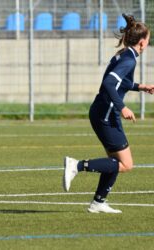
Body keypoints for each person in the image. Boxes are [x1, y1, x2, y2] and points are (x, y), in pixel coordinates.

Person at [63, 14, 154, 213]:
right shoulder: (129, 60)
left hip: (102, 111)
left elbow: (121, 82)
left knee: (114, 162)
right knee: (126, 164)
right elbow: (109, 83)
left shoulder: (125, 54)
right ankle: (77, 166)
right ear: (142, 42)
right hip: (107, 114)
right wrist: (123, 107)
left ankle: (98, 202)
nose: (149, 41)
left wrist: (141, 87)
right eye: (148, 38)